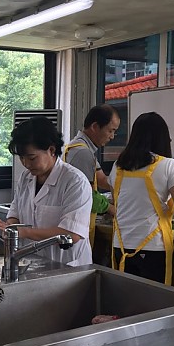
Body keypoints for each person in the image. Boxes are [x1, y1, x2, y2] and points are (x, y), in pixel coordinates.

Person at [0, 116, 93, 266]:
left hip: (69, 266)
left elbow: (71, 234)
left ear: (51, 150)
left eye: (32, 158)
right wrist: (11, 227)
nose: (26, 164)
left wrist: (25, 233)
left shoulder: (75, 181)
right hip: (33, 264)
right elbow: (16, 214)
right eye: (22, 158)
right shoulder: (26, 178)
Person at [108, 112, 174, 285]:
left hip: (121, 245)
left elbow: (116, 199)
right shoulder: (168, 165)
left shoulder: (118, 166)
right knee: (154, 305)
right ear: (163, 138)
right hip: (152, 247)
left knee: (126, 302)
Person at [62, 104, 119, 245]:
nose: (112, 137)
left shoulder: (80, 147)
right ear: (95, 126)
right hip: (75, 226)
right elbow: (87, 196)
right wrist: (112, 209)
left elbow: (102, 180)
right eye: (110, 131)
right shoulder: (82, 153)